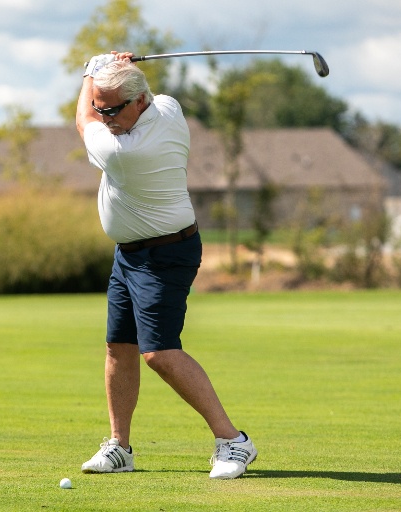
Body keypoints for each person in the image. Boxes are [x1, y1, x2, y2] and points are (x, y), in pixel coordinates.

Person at [74, 51, 256, 480]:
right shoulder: (168, 108)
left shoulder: (124, 150)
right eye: (102, 106)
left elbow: (83, 121)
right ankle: (120, 446)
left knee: (159, 352)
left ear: (139, 102)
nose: (105, 116)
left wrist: (89, 72)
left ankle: (234, 441)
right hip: (130, 253)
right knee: (118, 347)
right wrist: (109, 74)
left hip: (164, 256)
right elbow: (112, 103)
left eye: (113, 108)